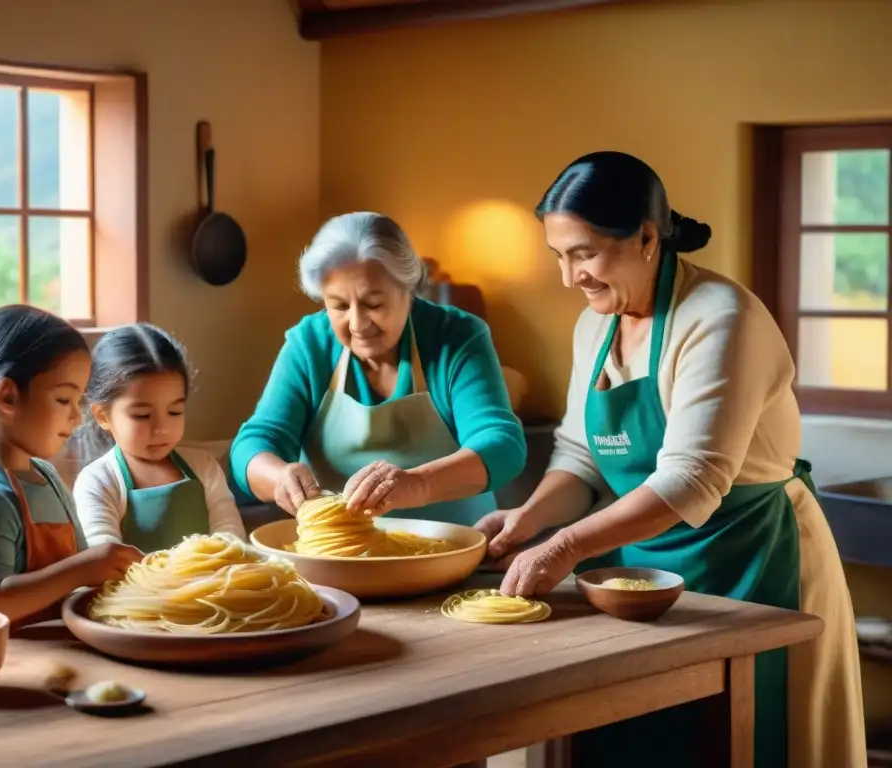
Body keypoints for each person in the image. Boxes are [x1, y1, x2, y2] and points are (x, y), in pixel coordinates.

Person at [475, 151, 867, 768]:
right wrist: (527, 519)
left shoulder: (719, 317)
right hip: (640, 568)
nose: (569, 276)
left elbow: (692, 480)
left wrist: (566, 546)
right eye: (559, 256)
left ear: (648, 237)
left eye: (584, 253)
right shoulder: (594, 324)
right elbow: (581, 454)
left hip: (754, 560)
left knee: (746, 739)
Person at [229, 211, 526, 525]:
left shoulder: (456, 336)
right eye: (339, 306)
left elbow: (502, 445)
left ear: (408, 290)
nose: (357, 324)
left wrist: (418, 485)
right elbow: (255, 442)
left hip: (455, 546)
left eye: (373, 304)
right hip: (341, 560)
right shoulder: (309, 343)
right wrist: (279, 477)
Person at [0, 305, 143, 626]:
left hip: (61, 647)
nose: (77, 417)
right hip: (14, 658)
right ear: (7, 397)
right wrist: (83, 568)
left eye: (79, 402)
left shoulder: (44, 475)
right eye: (64, 400)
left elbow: (78, 565)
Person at [73, 323, 245, 552]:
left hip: (212, 585)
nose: (161, 428)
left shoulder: (204, 466)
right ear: (103, 415)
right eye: (142, 416)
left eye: (175, 412)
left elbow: (230, 534)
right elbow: (104, 557)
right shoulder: (98, 481)